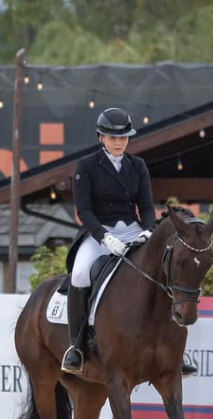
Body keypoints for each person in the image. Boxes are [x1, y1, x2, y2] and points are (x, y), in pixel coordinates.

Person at [61, 106, 198, 378]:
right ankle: (76, 346)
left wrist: (147, 231)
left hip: (133, 229)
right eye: (113, 138)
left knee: (163, 269)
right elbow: (84, 211)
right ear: (101, 137)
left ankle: (176, 351)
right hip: (98, 233)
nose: (119, 143)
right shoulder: (86, 166)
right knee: (78, 275)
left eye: (124, 138)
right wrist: (104, 237)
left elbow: (146, 206)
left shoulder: (138, 166)